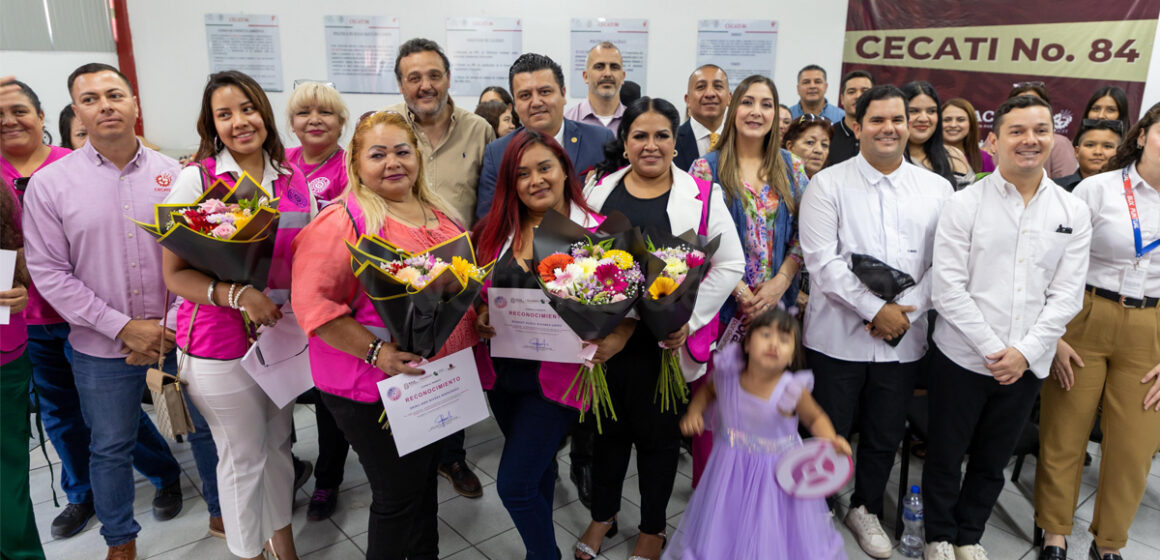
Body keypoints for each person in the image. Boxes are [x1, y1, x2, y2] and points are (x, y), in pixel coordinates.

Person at [22, 63, 221, 560]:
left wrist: (166, 328)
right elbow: (49, 274)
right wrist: (124, 328)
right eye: (90, 99)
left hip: (181, 336)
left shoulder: (177, 176)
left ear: (135, 103)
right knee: (109, 446)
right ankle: (120, 541)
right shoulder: (51, 185)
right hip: (99, 346)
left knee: (204, 431)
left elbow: (202, 256)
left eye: (115, 94)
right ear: (77, 113)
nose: (104, 105)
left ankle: (223, 511)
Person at [292, 110, 481, 560]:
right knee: (397, 496)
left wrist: (478, 315)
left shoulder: (439, 215)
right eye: (377, 154)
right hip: (369, 387)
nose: (392, 162)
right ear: (356, 164)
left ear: (417, 157)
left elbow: (454, 286)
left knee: (422, 488)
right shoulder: (343, 220)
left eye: (402, 151)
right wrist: (377, 352)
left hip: (428, 381)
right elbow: (315, 307)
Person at [923, 94, 1092, 560]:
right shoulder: (964, 204)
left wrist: (1024, 352)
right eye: (1017, 131)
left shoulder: (1071, 211)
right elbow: (948, 289)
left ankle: (968, 535)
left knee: (992, 458)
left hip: (1027, 363)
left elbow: (1066, 296)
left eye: (1040, 130)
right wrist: (995, 349)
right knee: (945, 452)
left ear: (1054, 137)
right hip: (962, 355)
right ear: (993, 140)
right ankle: (938, 534)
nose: (1029, 140)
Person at [575, 96, 744, 560]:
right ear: (625, 143)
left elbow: (731, 262)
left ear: (675, 141)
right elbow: (578, 262)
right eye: (640, 136)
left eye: (662, 136)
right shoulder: (597, 191)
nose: (651, 146)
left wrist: (690, 318)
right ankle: (603, 515)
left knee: (658, 440)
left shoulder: (702, 195)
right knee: (605, 434)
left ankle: (652, 528)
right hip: (609, 340)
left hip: (666, 342)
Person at [162, 69, 314, 560]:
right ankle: (248, 552)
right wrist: (236, 294)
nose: (240, 122)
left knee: (277, 449)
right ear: (212, 125)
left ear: (264, 114)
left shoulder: (292, 180)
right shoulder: (197, 179)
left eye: (247, 109)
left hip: (281, 340)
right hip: (217, 345)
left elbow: (305, 259)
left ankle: (283, 550)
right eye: (224, 115)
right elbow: (174, 274)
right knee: (243, 460)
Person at [799, 84, 953, 559]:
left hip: (904, 339)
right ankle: (815, 505)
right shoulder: (828, 183)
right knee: (829, 425)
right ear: (858, 125)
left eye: (897, 120)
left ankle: (863, 505)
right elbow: (823, 263)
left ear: (910, 126)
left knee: (886, 431)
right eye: (878, 120)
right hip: (836, 337)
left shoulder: (938, 189)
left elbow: (944, 264)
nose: (889, 128)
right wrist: (875, 311)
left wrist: (901, 313)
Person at [1034, 102, 1160, 560]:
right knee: (1064, 431)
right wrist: (1055, 335)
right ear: (1143, 135)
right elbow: (1053, 262)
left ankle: (1108, 544)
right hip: (1084, 315)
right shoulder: (1097, 190)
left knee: (1134, 447)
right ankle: (1055, 533)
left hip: (1151, 329)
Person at [471, 129, 604, 559]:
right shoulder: (491, 233)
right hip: (505, 376)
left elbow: (628, 309)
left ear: (565, 169)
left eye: (544, 167)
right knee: (538, 469)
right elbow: (476, 296)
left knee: (513, 483)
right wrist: (482, 314)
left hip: (559, 379)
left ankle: (544, 555)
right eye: (521, 174)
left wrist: (612, 337)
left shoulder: (597, 235)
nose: (535, 180)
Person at [664, 309, 851, 560]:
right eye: (765, 335)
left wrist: (830, 438)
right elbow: (708, 392)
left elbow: (815, 417)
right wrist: (695, 412)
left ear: (792, 356)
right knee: (729, 523)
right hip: (730, 469)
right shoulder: (728, 374)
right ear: (748, 343)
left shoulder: (792, 389)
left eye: (784, 340)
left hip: (777, 475)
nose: (774, 343)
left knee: (772, 529)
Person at [475, 53, 613, 226]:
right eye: (525, 95)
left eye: (545, 92)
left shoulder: (600, 140)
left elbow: (613, 208)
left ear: (563, 94)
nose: (536, 102)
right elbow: (489, 222)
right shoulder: (497, 154)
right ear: (515, 105)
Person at [389, 38, 495, 230]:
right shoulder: (384, 127)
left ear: (448, 78)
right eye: (414, 78)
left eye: (435, 76)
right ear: (400, 84)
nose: (426, 86)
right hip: (397, 253)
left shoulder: (479, 131)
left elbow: (491, 204)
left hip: (461, 254)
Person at [1, 174, 44, 560]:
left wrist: (21, 289)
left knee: (9, 476)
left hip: (6, 357)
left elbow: (22, 257)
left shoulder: (2, 189)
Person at [286, 81, 349, 204]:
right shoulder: (279, 160)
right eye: (303, 113)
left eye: (325, 112)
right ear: (292, 123)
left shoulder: (350, 168)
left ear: (341, 122)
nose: (314, 120)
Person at [902, 81, 971, 189]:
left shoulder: (953, 156)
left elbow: (971, 201)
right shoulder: (888, 160)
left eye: (931, 111)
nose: (924, 118)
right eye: (914, 111)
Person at [1007, 83, 1079, 179]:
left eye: (1034, 103)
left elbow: (1067, 184)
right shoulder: (998, 139)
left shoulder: (1059, 143)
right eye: (1020, 104)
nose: (1028, 109)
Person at [674, 65, 731, 172]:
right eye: (701, 87)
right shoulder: (671, 141)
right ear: (688, 100)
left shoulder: (742, 141)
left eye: (718, 86)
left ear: (729, 97)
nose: (710, 94)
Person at [564, 41, 626, 134]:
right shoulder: (567, 121)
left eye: (614, 67)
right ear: (586, 76)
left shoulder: (635, 122)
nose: (607, 74)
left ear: (622, 77)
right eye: (599, 67)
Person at [1055, 119, 1123, 191]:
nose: (1097, 152)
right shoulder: (1055, 188)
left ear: (1119, 152)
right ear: (1077, 152)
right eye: (1090, 145)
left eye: (1107, 146)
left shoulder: (1127, 189)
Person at [825, 70, 873, 168]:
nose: (858, 96)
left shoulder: (881, 135)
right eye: (851, 92)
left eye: (865, 91)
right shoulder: (828, 135)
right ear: (842, 99)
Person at [941, 98, 995, 175]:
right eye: (947, 120)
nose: (953, 125)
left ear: (971, 124)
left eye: (960, 120)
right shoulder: (926, 156)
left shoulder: (984, 158)